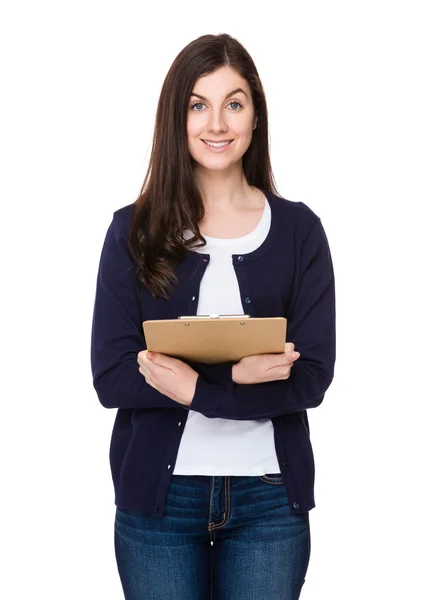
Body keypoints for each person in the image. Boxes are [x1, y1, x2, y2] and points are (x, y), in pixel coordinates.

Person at [90, 32, 336, 600]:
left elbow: (312, 376)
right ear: (176, 118)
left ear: (255, 115)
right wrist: (237, 377)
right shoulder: (132, 230)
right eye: (198, 104)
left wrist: (195, 386)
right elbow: (111, 377)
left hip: (269, 501)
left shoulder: (300, 231)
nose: (216, 123)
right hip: (159, 502)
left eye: (234, 102)